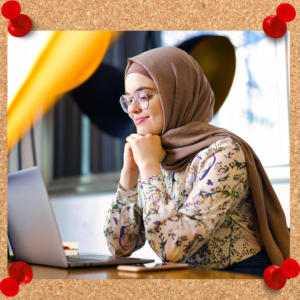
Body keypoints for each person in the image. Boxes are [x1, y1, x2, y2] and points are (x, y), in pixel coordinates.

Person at [103, 46, 289, 277]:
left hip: (238, 276)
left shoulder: (224, 152)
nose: (132, 109)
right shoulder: (156, 152)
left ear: (176, 93)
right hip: (186, 276)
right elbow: (120, 247)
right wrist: (129, 175)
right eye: (128, 99)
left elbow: (171, 248)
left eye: (143, 96)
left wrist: (149, 167)